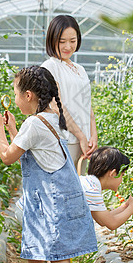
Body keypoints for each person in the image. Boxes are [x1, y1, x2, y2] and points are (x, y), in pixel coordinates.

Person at [0, 66, 97, 262]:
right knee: (60, 256)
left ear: (27, 95)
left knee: (39, 256)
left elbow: (7, 156)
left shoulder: (34, 124)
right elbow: (30, 154)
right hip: (58, 203)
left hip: (46, 206)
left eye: (16, 94)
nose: (16, 99)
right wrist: (13, 128)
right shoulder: (53, 119)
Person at [41, 15, 97, 174]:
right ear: (52, 40)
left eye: (72, 41)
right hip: (64, 140)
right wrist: (80, 136)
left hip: (84, 143)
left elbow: (87, 105)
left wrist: (93, 135)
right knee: (65, 191)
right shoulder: (50, 67)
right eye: (61, 41)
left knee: (79, 188)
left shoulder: (80, 69)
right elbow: (57, 106)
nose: (67, 46)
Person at [80, 146, 133, 230]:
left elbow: (102, 221)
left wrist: (126, 205)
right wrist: (132, 207)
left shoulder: (89, 184)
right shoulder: (91, 190)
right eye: (122, 175)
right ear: (113, 173)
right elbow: (112, 223)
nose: (122, 179)